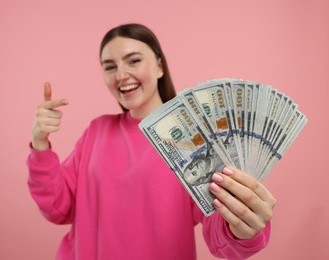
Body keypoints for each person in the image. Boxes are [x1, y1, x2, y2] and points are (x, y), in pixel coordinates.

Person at [27, 23, 276, 260]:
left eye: (134, 61)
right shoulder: (97, 131)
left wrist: (243, 229)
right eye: (109, 66)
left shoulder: (194, 139)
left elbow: (219, 235)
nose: (121, 75)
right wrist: (40, 144)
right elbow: (58, 208)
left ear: (159, 66)